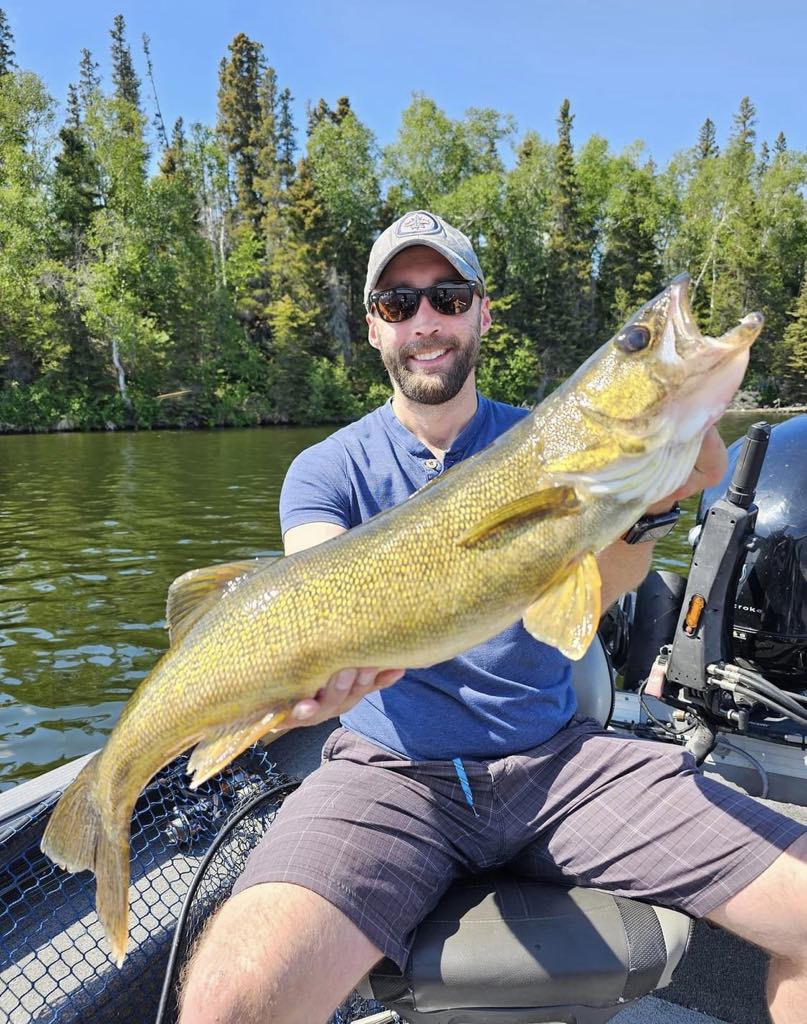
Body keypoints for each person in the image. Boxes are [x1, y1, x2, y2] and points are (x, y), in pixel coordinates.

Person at [180, 211, 807, 1024]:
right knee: (228, 1001)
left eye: (446, 296)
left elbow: (598, 594)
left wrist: (646, 508)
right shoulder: (323, 469)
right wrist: (310, 682)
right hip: (388, 772)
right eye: (399, 304)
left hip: (559, 765)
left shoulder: (546, 441)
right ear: (373, 327)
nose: (425, 321)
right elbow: (317, 581)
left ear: (481, 312)